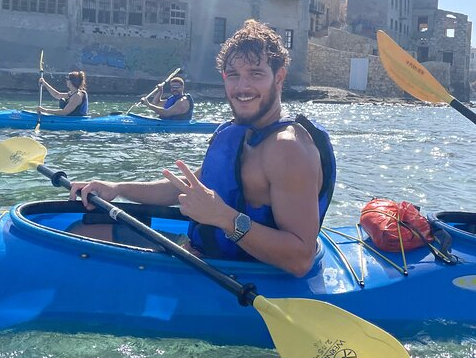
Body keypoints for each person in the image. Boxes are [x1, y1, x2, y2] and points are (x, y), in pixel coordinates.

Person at [67, 20, 336, 277]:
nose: (242, 87)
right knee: (82, 229)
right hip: (204, 255)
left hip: (243, 279)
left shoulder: (287, 149)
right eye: (233, 75)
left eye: (256, 74)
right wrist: (118, 188)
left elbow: (301, 259)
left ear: (279, 77)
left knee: (77, 243)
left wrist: (225, 218)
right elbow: (191, 187)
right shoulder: (240, 132)